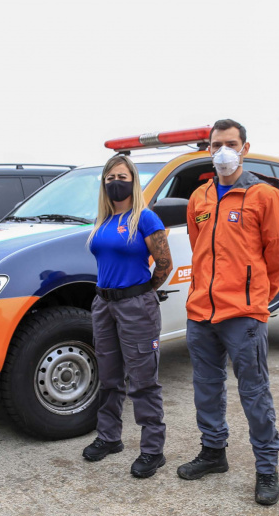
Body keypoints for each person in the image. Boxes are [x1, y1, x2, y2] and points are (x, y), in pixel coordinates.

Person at [178, 119, 279, 506]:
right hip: (201, 313)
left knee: (255, 394)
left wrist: (255, 300)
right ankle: (213, 453)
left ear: (245, 148)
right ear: (208, 149)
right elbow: (199, 248)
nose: (222, 150)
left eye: (230, 143)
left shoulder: (264, 195)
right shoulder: (200, 197)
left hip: (243, 315)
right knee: (206, 388)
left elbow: (278, 258)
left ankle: (266, 468)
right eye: (215, 144)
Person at [82, 155, 174, 479]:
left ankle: (153, 450)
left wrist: (143, 292)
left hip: (136, 306)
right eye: (109, 178)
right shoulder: (103, 220)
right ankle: (109, 438)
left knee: (143, 381)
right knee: (108, 378)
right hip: (103, 304)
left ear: (133, 181)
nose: (115, 182)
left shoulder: (144, 218)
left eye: (121, 176)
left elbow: (164, 263)